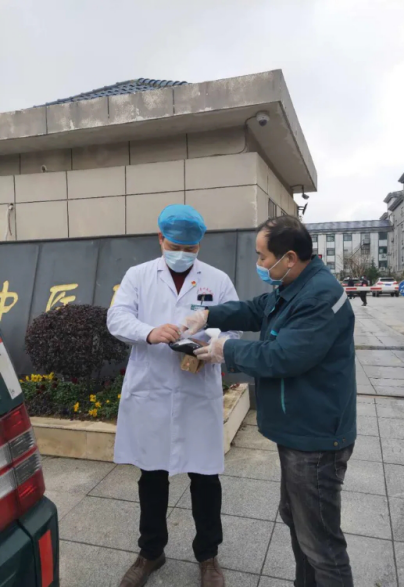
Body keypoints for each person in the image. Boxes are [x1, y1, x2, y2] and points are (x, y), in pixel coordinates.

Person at [183, 216, 357, 588]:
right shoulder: (293, 285)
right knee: (297, 520)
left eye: (263, 257)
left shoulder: (319, 296)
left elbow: (284, 356)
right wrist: (209, 314)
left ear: (289, 258)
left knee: (321, 543)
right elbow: (255, 308)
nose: (259, 264)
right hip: (299, 428)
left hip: (315, 436)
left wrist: (226, 349)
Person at [107, 204, 240, 588]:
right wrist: (149, 332)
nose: (182, 254)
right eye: (175, 246)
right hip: (152, 390)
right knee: (152, 475)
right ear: (160, 238)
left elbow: (235, 328)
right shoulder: (138, 275)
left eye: (190, 248)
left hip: (197, 390)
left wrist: (212, 344)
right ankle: (151, 552)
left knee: (205, 477)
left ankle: (208, 556)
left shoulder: (217, 279)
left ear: (200, 245)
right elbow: (117, 318)